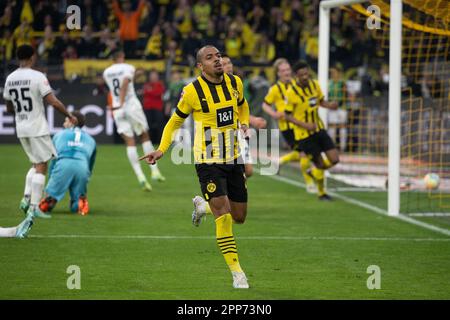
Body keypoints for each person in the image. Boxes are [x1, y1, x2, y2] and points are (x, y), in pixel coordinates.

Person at [140, 45, 250, 289]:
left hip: (233, 158)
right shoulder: (191, 91)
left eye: (218, 56)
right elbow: (174, 121)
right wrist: (161, 149)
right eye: (210, 58)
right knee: (224, 216)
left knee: (239, 216)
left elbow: (242, 105)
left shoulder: (235, 83)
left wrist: (243, 122)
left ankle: (203, 206)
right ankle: (237, 273)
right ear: (200, 66)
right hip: (208, 161)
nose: (217, 60)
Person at [3, 44, 77, 219]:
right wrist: (69, 114)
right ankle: (34, 207)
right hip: (36, 127)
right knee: (43, 164)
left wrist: (21, 113)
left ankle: (26, 197)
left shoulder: (10, 78)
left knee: (35, 163)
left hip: (21, 127)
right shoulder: (37, 76)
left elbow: (8, 107)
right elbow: (53, 101)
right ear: (32, 57)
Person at [103, 49, 165, 192]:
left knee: (130, 142)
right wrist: (123, 101)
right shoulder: (128, 67)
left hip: (117, 109)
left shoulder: (106, 72)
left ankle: (140, 177)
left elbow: (120, 84)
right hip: (130, 105)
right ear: (122, 56)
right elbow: (125, 82)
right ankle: (154, 171)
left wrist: (118, 103)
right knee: (143, 136)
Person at [285, 61, 340, 200]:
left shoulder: (315, 85)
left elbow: (320, 101)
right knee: (320, 164)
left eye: (306, 73)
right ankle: (322, 193)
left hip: (319, 128)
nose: (304, 76)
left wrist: (330, 106)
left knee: (334, 159)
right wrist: (305, 125)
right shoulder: (291, 92)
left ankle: (312, 172)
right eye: (301, 74)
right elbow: (287, 116)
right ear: (296, 76)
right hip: (304, 135)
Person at [262, 58, 315, 192]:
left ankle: (279, 162)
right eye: (283, 70)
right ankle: (309, 183)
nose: (286, 72)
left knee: (303, 152)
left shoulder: (297, 84)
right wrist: (274, 114)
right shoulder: (275, 89)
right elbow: (265, 104)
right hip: (288, 128)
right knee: (303, 153)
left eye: (288, 70)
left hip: (300, 123)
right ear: (278, 73)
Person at [38, 111, 96, 216]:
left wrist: (51, 180)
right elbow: (90, 164)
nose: (63, 124)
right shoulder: (91, 140)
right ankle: (80, 203)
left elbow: (54, 160)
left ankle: (49, 200)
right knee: (77, 200)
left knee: (47, 201)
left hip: (63, 165)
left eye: (65, 121)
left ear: (72, 122)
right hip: (82, 167)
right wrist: (86, 178)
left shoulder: (59, 135)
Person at [221, 53, 266, 178]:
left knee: (248, 171)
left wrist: (247, 122)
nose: (228, 66)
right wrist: (253, 120)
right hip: (222, 133)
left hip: (238, 131)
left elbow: (240, 108)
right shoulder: (218, 87)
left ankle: (231, 195)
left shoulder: (237, 83)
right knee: (230, 171)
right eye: (224, 64)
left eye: (229, 63)